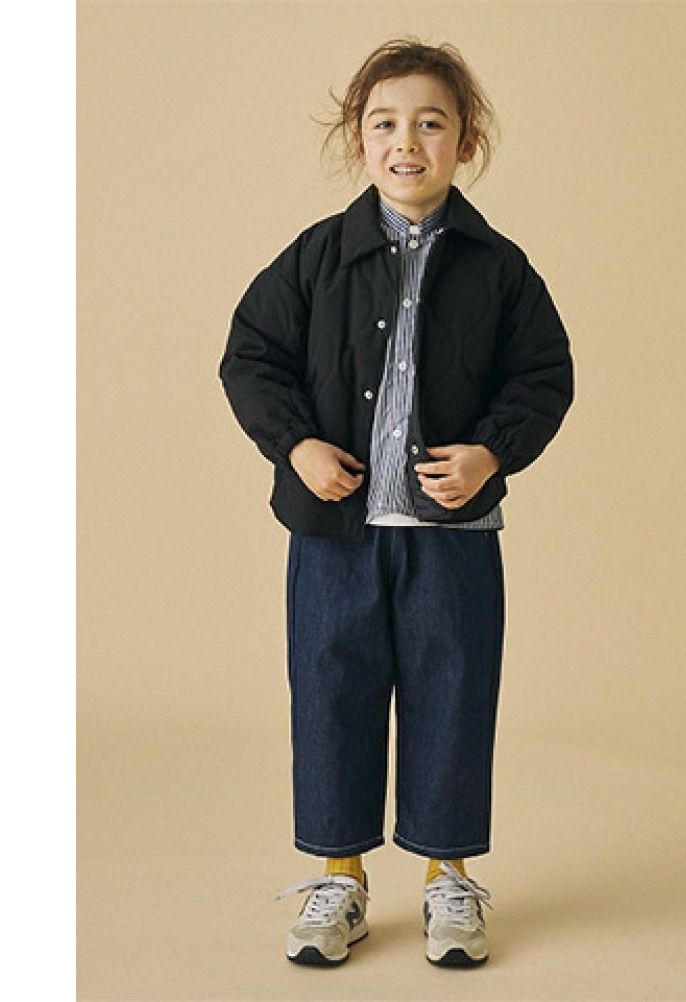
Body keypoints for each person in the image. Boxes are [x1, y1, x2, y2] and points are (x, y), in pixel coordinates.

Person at [218, 37, 574, 967]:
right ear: (359, 140)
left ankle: (448, 878)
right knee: (330, 691)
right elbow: (251, 354)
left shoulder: (500, 268)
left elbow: (544, 374)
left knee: (453, 693)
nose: (407, 142)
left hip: (453, 534)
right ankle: (339, 878)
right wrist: (296, 445)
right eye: (385, 124)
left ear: (466, 142)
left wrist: (491, 452)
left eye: (430, 123)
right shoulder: (317, 257)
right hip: (334, 532)